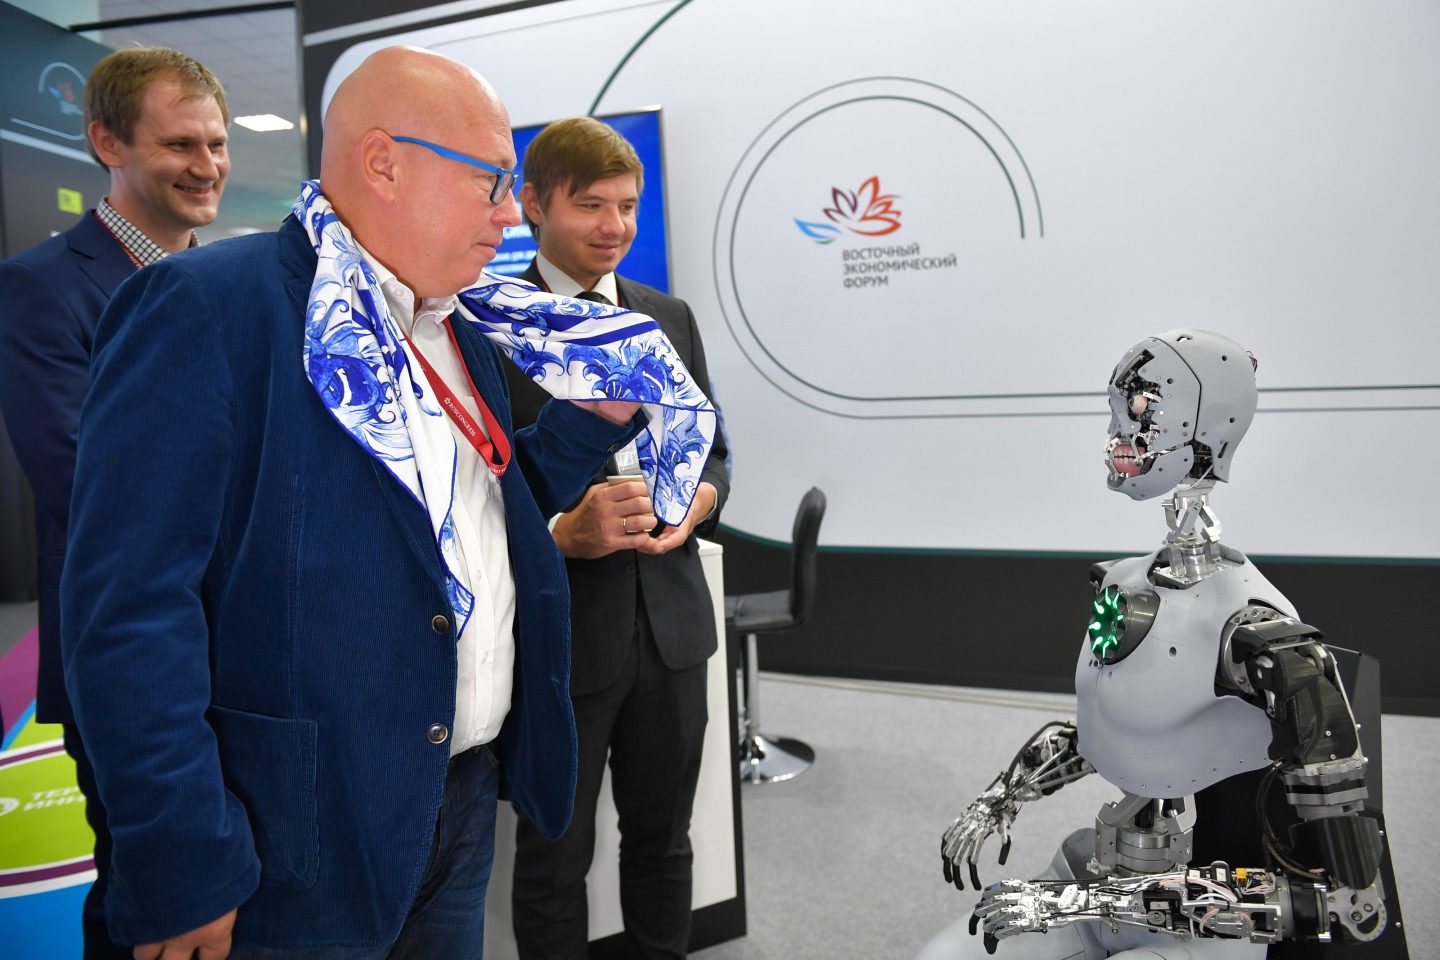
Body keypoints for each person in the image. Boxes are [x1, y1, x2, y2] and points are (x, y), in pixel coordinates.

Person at [58, 47, 699, 957]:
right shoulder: (208, 309)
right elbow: (126, 614)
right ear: (384, 163)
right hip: (293, 838)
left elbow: (477, 510)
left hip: (459, 805)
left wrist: (589, 423)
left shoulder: (455, 324)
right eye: (492, 184)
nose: (509, 215)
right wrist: (181, 857)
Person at [0, 45, 229, 959]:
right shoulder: (42, 288)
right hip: (126, 660)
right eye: (181, 143)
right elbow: (82, 484)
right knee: (147, 898)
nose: (209, 166)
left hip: (242, 648)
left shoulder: (239, 286)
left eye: (216, 143)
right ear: (107, 142)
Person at [506, 116, 729, 960]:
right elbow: (475, 496)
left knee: (665, 844)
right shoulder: (490, 328)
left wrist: (700, 498)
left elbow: (717, 448)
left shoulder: (666, 315)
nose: (614, 227)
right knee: (555, 859)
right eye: (590, 205)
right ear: (532, 204)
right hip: (562, 641)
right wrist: (560, 532)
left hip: (672, 632)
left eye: (628, 207)